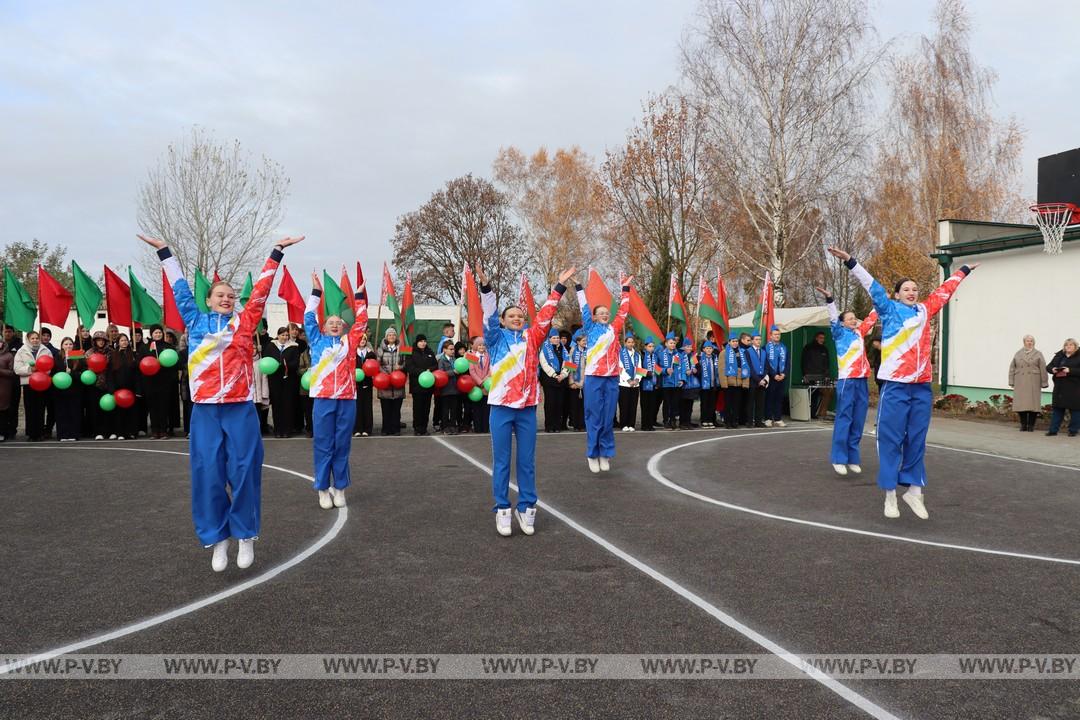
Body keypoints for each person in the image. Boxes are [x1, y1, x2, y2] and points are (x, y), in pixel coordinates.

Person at [142, 232, 303, 572]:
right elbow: (180, 289)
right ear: (210, 299)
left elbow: (260, 292)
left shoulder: (244, 324)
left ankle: (245, 534)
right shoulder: (196, 320)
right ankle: (218, 539)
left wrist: (276, 252)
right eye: (220, 295)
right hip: (205, 410)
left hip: (239, 407)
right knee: (208, 474)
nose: (227, 298)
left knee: (244, 471)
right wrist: (164, 253)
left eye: (231, 295)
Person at [829, 245, 976, 520]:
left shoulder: (925, 309)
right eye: (906, 289)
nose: (912, 292)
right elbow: (870, 284)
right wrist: (851, 261)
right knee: (890, 439)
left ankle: (914, 491)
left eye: (915, 288)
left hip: (921, 387)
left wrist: (963, 271)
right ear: (897, 294)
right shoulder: (889, 309)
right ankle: (889, 495)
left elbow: (944, 292)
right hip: (895, 386)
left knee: (917, 440)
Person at [480, 265, 573, 536]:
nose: (517, 318)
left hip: (527, 408)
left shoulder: (533, 337)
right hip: (500, 406)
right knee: (502, 461)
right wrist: (486, 289)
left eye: (520, 315)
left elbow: (546, 314)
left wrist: (559, 286)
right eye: (512, 315)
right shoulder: (495, 339)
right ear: (504, 320)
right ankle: (502, 509)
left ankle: (526, 507)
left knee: (527, 461)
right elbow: (488, 315)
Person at [305, 272, 368, 508]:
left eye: (338, 323)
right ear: (324, 327)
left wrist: (360, 295)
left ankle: (340, 488)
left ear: (343, 327)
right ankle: (322, 488)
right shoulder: (316, 340)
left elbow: (361, 321)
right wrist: (315, 293)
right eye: (330, 322)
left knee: (342, 444)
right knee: (323, 444)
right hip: (322, 398)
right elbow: (308, 316)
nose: (334, 324)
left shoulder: (348, 342)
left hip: (346, 398)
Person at [816, 287, 878, 475]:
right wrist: (830, 300)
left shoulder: (859, 332)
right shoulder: (839, 333)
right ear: (843, 323)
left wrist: (880, 300)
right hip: (847, 381)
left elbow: (871, 318)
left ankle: (852, 457)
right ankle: (838, 458)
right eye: (850, 318)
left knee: (858, 420)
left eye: (854, 318)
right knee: (845, 419)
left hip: (862, 380)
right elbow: (833, 317)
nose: (853, 320)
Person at [576, 275, 631, 472]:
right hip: (593, 378)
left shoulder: (614, 328)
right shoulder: (590, 328)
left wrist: (625, 289)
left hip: (611, 378)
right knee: (594, 417)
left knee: (608, 418)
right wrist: (578, 286)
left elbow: (624, 311)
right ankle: (592, 453)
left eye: (607, 312)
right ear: (594, 316)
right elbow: (583, 306)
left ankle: (605, 453)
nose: (605, 314)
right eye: (601, 313)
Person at [261, 326, 301, 438]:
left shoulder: (293, 347)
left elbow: (295, 363)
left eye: (286, 335)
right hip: (274, 380)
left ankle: (287, 430)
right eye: (282, 335)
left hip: (289, 380)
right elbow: (266, 360)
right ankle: (278, 430)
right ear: (278, 335)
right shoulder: (271, 346)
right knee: (277, 404)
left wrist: (285, 365)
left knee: (288, 405)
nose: (284, 337)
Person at [139, 325, 176, 439]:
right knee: (153, 407)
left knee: (163, 407)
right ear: (151, 334)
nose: (158, 335)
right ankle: (155, 431)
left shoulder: (168, 347)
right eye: (155, 333)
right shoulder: (145, 347)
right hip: (150, 382)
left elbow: (174, 364)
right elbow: (140, 364)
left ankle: (164, 430)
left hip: (164, 382)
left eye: (159, 332)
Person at [14, 331, 52, 441]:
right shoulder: (21, 351)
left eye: (37, 338)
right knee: (30, 409)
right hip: (28, 383)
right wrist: (31, 369)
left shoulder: (46, 350)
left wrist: (42, 370)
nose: (35, 340)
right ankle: (31, 434)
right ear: (28, 339)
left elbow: (50, 366)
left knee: (40, 409)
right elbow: (17, 369)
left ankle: (40, 433)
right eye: (33, 338)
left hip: (42, 383)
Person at [1008, 335, 1048, 432]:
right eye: (1027, 341)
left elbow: (1043, 368)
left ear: (1033, 343)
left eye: (1031, 341)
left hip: (1033, 381)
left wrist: (1044, 382)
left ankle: (1031, 425)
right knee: (1021, 404)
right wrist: (1011, 381)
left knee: (1033, 405)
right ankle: (1023, 425)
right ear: (1024, 342)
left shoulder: (1038, 354)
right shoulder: (1018, 353)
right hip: (1020, 381)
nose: (1029, 343)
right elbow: (1012, 368)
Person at [106, 333, 138, 440]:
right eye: (122, 340)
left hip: (130, 389)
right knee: (118, 413)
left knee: (131, 412)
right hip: (117, 389)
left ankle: (131, 432)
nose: (124, 342)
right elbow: (109, 374)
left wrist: (138, 389)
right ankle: (120, 433)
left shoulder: (133, 354)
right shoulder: (113, 355)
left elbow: (136, 373)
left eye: (126, 340)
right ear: (118, 343)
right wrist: (111, 389)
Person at [404, 334, 438, 436]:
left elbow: (435, 365)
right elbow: (410, 368)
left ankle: (424, 428)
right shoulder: (410, 352)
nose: (423, 343)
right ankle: (417, 428)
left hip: (429, 385)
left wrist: (430, 370)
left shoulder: (430, 352)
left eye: (424, 341)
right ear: (417, 342)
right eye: (421, 341)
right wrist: (423, 372)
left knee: (426, 407)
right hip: (417, 385)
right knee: (418, 407)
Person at [1045, 339, 1080, 437]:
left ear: (1075, 347)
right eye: (1066, 345)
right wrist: (1053, 369)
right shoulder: (1059, 355)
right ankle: (1053, 430)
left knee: (1075, 410)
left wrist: (1070, 370)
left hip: (1074, 388)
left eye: (1071, 345)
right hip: (1059, 387)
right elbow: (1048, 367)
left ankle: (1073, 431)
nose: (1068, 347)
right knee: (1057, 409)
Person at [376, 327, 405, 436]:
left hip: (398, 384)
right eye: (389, 335)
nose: (392, 337)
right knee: (386, 408)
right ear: (386, 337)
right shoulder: (380, 349)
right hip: (385, 383)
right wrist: (386, 374)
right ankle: (386, 429)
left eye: (393, 335)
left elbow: (406, 363)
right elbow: (377, 365)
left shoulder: (401, 349)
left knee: (396, 409)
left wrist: (400, 367)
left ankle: (396, 428)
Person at [539, 328, 569, 432]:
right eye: (554, 338)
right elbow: (544, 364)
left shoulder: (563, 349)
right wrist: (554, 375)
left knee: (559, 403)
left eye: (558, 338)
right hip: (550, 379)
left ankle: (557, 426)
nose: (556, 340)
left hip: (562, 379)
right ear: (549, 339)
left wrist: (563, 374)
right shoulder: (544, 349)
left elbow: (570, 364)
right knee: (550, 403)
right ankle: (549, 426)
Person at [55, 337, 83, 441]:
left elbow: (83, 373)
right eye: (66, 344)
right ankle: (63, 434)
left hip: (75, 389)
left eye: (70, 344)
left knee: (74, 412)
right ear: (62, 346)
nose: (68, 346)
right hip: (60, 390)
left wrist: (72, 373)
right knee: (62, 413)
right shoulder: (57, 357)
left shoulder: (78, 356)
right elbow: (54, 372)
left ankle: (73, 434)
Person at [802, 331, 832, 420]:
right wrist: (805, 374)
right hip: (810, 375)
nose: (822, 340)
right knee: (811, 395)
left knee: (824, 393)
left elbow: (827, 364)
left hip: (821, 376)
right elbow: (804, 362)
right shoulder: (808, 348)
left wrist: (826, 375)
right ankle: (807, 414)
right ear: (816, 338)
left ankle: (816, 413)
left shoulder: (824, 349)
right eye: (820, 338)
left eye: (823, 338)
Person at [721, 333, 749, 428]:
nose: (735, 343)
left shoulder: (742, 352)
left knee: (737, 404)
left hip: (739, 383)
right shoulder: (724, 353)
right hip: (729, 383)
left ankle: (734, 421)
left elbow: (745, 367)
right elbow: (721, 369)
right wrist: (724, 383)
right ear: (729, 342)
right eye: (733, 341)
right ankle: (728, 421)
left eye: (736, 341)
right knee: (728, 404)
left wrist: (745, 382)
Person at [764, 326, 788, 427]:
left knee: (779, 398)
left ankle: (778, 418)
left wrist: (784, 373)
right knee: (770, 397)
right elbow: (765, 363)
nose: (777, 336)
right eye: (775, 334)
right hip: (771, 376)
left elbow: (787, 362)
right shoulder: (766, 347)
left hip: (781, 376)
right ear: (770, 336)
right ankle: (768, 418)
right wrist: (773, 375)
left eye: (778, 334)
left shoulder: (783, 347)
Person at [617, 334, 642, 432]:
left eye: (632, 342)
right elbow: (620, 368)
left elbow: (639, 368)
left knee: (633, 405)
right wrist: (628, 380)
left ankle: (632, 424)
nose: (631, 344)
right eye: (629, 342)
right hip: (624, 384)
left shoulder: (637, 355)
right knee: (624, 405)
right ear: (625, 343)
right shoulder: (620, 354)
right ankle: (623, 424)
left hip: (635, 384)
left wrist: (636, 379)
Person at [436, 337, 461, 434]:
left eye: (453, 349)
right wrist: (453, 372)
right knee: (445, 410)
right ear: (444, 350)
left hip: (455, 388)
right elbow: (441, 373)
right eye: (450, 349)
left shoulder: (456, 360)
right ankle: (445, 426)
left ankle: (453, 426)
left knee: (454, 409)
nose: (452, 351)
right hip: (446, 389)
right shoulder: (441, 360)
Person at [659, 332, 682, 430]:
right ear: (666, 344)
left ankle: (673, 421)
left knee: (674, 403)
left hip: (676, 383)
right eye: (670, 343)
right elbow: (656, 368)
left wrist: (682, 379)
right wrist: (665, 370)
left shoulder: (678, 355)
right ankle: (666, 421)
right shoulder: (661, 354)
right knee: (667, 403)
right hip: (666, 383)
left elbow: (682, 368)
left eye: (674, 343)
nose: (672, 345)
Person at [354, 334, 376, 437]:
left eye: (364, 339)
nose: (362, 341)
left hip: (367, 384)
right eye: (360, 339)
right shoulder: (353, 354)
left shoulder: (371, 354)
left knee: (367, 407)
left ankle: (367, 429)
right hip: (356, 385)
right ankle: (357, 429)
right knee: (357, 407)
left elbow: (375, 368)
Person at [745, 333, 768, 428]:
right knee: (750, 402)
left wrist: (763, 378)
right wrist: (758, 380)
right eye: (757, 339)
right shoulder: (748, 351)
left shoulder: (763, 352)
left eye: (760, 339)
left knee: (760, 402)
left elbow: (766, 366)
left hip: (761, 379)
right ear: (752, 341)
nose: (759, 341)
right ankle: (750, 421)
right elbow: (749, 367)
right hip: (752, 379)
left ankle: (758, 421)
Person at [468, 336, 491, 434]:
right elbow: (472, 371)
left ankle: (485, 428)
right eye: (480, 345)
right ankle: (477, 427)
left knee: (486, 408)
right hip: (476, 386)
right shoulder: (472, 356)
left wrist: (485, 381)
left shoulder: (488, 356)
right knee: (476, 408)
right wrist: (480, 382)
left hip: (486, 386)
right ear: (476, 346)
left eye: (483, 345)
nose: (482, 347)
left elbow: (491, 369)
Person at [638, 337, 659, 431]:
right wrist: (648, 373)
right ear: (645, 347)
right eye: (650, 346)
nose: (651, 348)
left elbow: (658, 369)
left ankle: (650, 424)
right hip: (644, 384)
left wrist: (658, 380)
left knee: (652, 405)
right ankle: (644, 424)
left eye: (653, 346)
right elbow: (638, 369)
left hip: (653, 384)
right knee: (645, 405)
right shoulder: (642, 356)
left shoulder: (655, 356)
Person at [678, 337, 699, 429]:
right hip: (684, 384)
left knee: (690, 405)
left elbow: (698, 368)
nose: (689, 348)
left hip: (692, 384)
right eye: (687, 346)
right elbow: (678, 368)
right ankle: (683, 422)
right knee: (683, 404)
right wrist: (685, 372)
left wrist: (695, 370)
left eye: (690, 347)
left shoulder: (693, 357)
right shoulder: (680, 356)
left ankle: (688, 421)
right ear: (683, 347)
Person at [567, 329, 586, 431]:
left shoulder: (588, 351)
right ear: (578, 342)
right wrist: (572, 382)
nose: (585, 342)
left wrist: (584, 382)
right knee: (574, 404)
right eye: (583, 341)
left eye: (585, 340)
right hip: (574, 382)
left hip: (585, 382)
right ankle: (575, 424)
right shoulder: (573, 351)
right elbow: (569, 367)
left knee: (584, 405)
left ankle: (582, 424)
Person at [698, 341, 719, 428]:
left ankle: (710, 420)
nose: (709, 350)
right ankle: (704, 420)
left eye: (710, 348)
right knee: (704, 403)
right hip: (704, 384)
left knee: (712, 403)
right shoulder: (700, 358)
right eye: (707, 348)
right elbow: (697, 371)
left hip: (713, 384)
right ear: (703, 349)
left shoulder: (715, 358)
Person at [0, 336, 14, 442]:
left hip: (4, 388)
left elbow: (12, 372)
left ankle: (2, 433)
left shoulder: (8, 356)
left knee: (2, 411)